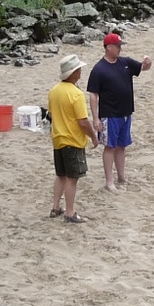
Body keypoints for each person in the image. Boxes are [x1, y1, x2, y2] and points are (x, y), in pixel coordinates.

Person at [86, 32, 152, 192]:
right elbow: (93, 95)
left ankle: (121, 176)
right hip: (109, 114)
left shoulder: (126, 62)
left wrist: (147, 63)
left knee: (122, 145)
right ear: (108, 47)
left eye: (120, 46)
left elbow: (143, 68)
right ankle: (109, 181)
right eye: (117, 46)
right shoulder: (99, 69)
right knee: (110, 146)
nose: (120, 49)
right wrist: (95, 118)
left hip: (125, 112)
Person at [48, 53, 97, 223]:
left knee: (60, 175)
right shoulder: (76, 94)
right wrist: (93, 137)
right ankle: (70, 212)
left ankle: (55, 207)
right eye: (78, 70)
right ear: (73, 73)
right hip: (72, 140)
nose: (80, 72)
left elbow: (52, 114)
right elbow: (83, 122)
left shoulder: (54, 91)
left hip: (58, 138)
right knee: (72, 178)